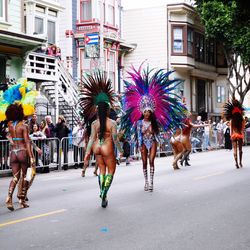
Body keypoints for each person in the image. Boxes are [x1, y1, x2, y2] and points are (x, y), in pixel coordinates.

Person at [121, 66, 187, 190]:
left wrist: (158, 137)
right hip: (142, 143)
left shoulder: (154, 122)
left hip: (152, 142)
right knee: (144, 162)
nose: (146, 113)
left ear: (151, 112)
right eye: (145, 111)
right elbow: (138, 134)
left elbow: (158, 132)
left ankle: (151, 182)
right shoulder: (139, 123)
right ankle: (146, 182)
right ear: (142, 112)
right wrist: (140, 143)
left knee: (151, 161)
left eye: (148, 112)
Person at [80, 71, 123, 208]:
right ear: (108, 108)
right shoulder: (112, 123)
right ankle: (104, 192)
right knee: (111, 171)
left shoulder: (94, 123)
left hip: (97, 147)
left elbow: (92, 139)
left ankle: (101, 191)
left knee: (101, 171)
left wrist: (87, 154)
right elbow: (115, 139)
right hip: (108, 147)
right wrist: (121, 151)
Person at [5, 103, 36, 210]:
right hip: (23, 152)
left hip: (13, 152)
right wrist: (32, 157)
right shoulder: (24, 126)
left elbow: (9, 136)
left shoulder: (10, 125)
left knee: (15, 177)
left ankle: (9, 197)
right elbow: (27, 142)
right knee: (27, 175)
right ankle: (22, 199)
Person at [223, 99, 245, 168]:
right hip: (239, 135)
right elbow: (242, 128)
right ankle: (240, 162)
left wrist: (231, 136)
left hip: (233, 135)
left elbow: (231, 128)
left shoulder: (232, 120)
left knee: (235, 150)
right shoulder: (241, 119)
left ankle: (236, 164)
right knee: (240, 150)